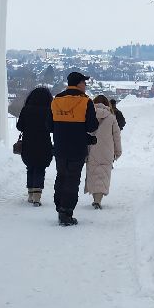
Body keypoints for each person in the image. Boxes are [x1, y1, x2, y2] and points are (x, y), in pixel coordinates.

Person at [50, 71, 98, 225]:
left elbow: (48, 125)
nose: (85, 85)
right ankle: (66, 211)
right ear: (78, 84)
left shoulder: (56, 100)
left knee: (61, 176)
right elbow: (92, 126)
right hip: (77, 148)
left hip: (59, 147)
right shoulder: (86, 102)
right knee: (72, 179)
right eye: (84, 83)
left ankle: (59, 207)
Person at [15, 86, 54, 206]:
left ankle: (31, 193)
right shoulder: (49, 110)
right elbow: (52, 128)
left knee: (30, 167)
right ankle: (37, 196)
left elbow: (19, 127)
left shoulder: (26, 109)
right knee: (40, 167)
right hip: (44, 143)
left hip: (28, 143)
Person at [85, 94, 123, 209]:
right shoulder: (111, 117)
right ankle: (98, 199)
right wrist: (118, 151)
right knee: (103, 175)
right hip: (107, 151)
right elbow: (116, 136)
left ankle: (94, 197)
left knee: (93, 173)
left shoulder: (88, 115)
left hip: (91, 149)